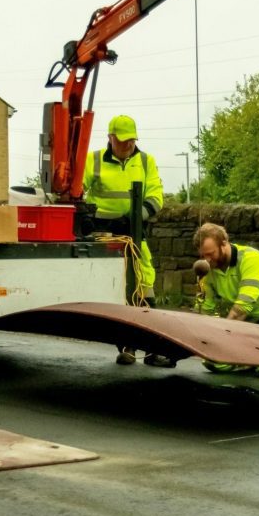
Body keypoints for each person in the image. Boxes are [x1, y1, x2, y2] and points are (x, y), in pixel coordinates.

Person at [82, 114, 167, 367]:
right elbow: (77, 190)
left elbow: (155, 196)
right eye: (123, 140)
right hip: (101, 234)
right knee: (115, 287)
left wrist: (134, 218)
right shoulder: (93, 160)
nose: (128, 144)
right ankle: (128, 346)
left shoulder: (145, 161)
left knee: (144, 280)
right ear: (110, 138)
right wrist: (86, 217)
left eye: (132, 140)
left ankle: (152, 348)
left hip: (133, 231)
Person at [193, 222, 259, 377]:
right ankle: (250, 358)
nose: (208, 260)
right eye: (203, 255)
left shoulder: (251, 259)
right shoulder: (210, 269)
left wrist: (221, 337)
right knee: (213, 362)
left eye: (210, 254)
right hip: (240, 324)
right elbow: (206, 309)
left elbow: (243, 307)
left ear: (224, 244)